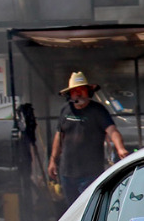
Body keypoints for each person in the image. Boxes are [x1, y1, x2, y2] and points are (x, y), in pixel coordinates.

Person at [46, 71, 128, 204]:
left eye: (82, 90)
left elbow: (112, 131)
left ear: (89, 92)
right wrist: (53, 160)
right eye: (75, 91)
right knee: (72, 211)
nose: (79, 94)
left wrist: (120, 148)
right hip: (67, 173)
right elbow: (59, 136)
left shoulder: (98, 111)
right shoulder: (65, 110)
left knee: (88, 209)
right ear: (70, 94)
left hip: (90, 174)